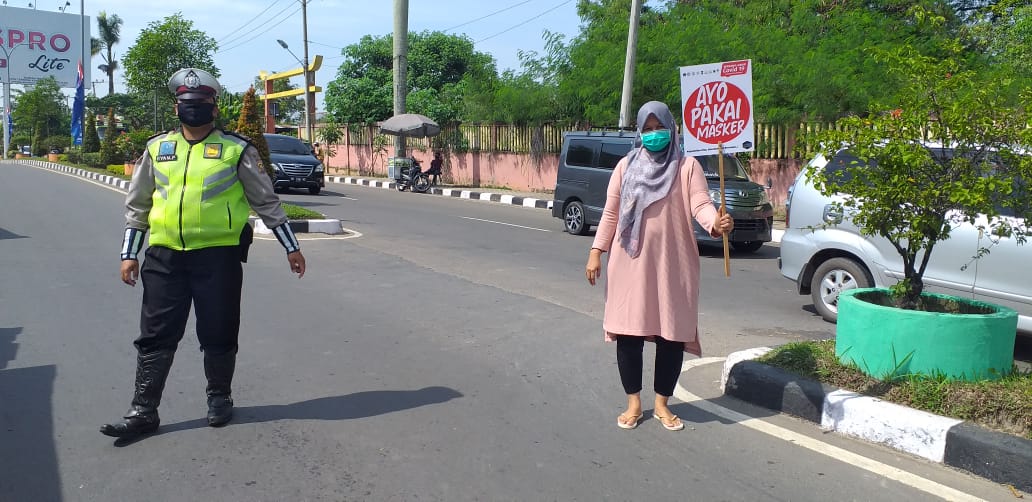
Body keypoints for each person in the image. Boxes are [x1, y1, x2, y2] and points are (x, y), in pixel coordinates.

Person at [101, 68, 308, 438]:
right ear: (177, 108)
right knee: (156, 334)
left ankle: (219, 398)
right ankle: (143, 410)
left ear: (213, 108)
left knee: (218, 329)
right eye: (186, 104)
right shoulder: (157, 148)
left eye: (200, 104)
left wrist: (291, 247)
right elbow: (138, 206)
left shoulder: (235, 149)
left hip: (219, 257)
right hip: (165, 256)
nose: (192, 109)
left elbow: (266, 202)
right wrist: (128, 254)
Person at [584, 101, 733, 432]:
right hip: (628, 261)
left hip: (672, 264)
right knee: (629, 331)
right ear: (639, 131)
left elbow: (701, 204)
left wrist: (716, 223)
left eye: (659, 127)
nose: (654, 134)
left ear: (672, 127)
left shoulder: (686, 166)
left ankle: (663, 404)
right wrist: (597, 250)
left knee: (671, 333)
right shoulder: (626, 166)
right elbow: (611, 213)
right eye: (647, 129)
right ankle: (634, 403)